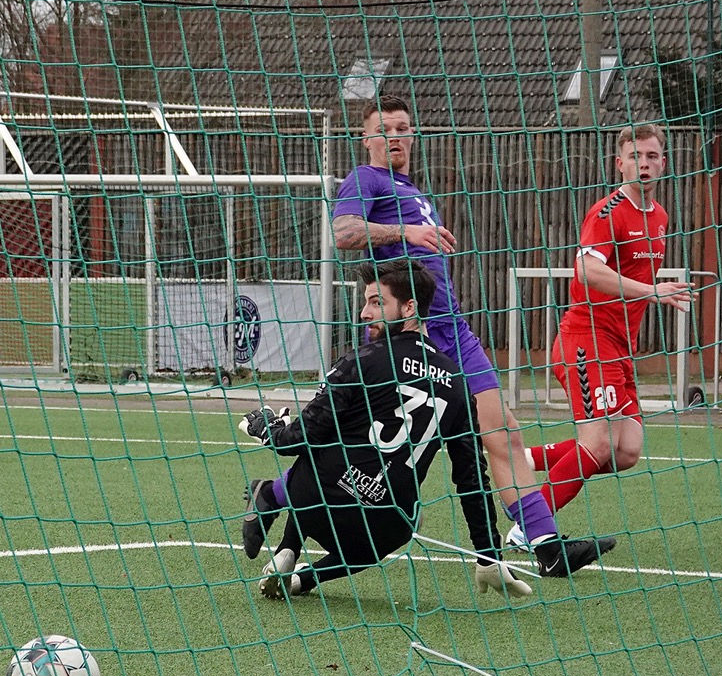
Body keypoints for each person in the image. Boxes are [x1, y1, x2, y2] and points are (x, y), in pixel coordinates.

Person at [246, 94, 614, 580]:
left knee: (501, 428)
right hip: (403, 335)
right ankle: (285, 515)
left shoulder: (413, 189)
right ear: (367, 138)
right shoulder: (366, 179)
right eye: (385, 128)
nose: (395, 136)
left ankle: (544, 543)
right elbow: (344, 231)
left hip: (451, 330)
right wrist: (409, 233)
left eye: (403, 127)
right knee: (365, 448)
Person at [238, 259, 531, 600]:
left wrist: (267, 428)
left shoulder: (361, 359)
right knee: (411, 520)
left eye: (377, 302)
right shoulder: (458, 383)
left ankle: (284, 532)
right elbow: (470, 479)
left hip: (317, 504)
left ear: (410, 307)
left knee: (327, 441)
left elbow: (298, 439)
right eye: (366, 302)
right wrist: (487, 554)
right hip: (381, 527)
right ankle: (305, 577)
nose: (364, 313)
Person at [508, 123, 697, 549]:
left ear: (663, 163)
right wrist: (653, 291)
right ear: (619, 163)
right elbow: (585, 269)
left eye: (650, 157)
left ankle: (523, 459)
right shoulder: (607, 212)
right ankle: (529, 526)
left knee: (627, 450)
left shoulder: (660, 216)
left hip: (617, 347)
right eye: (635, 157)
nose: (643, 164)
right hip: (585, 340)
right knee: (599, 441)